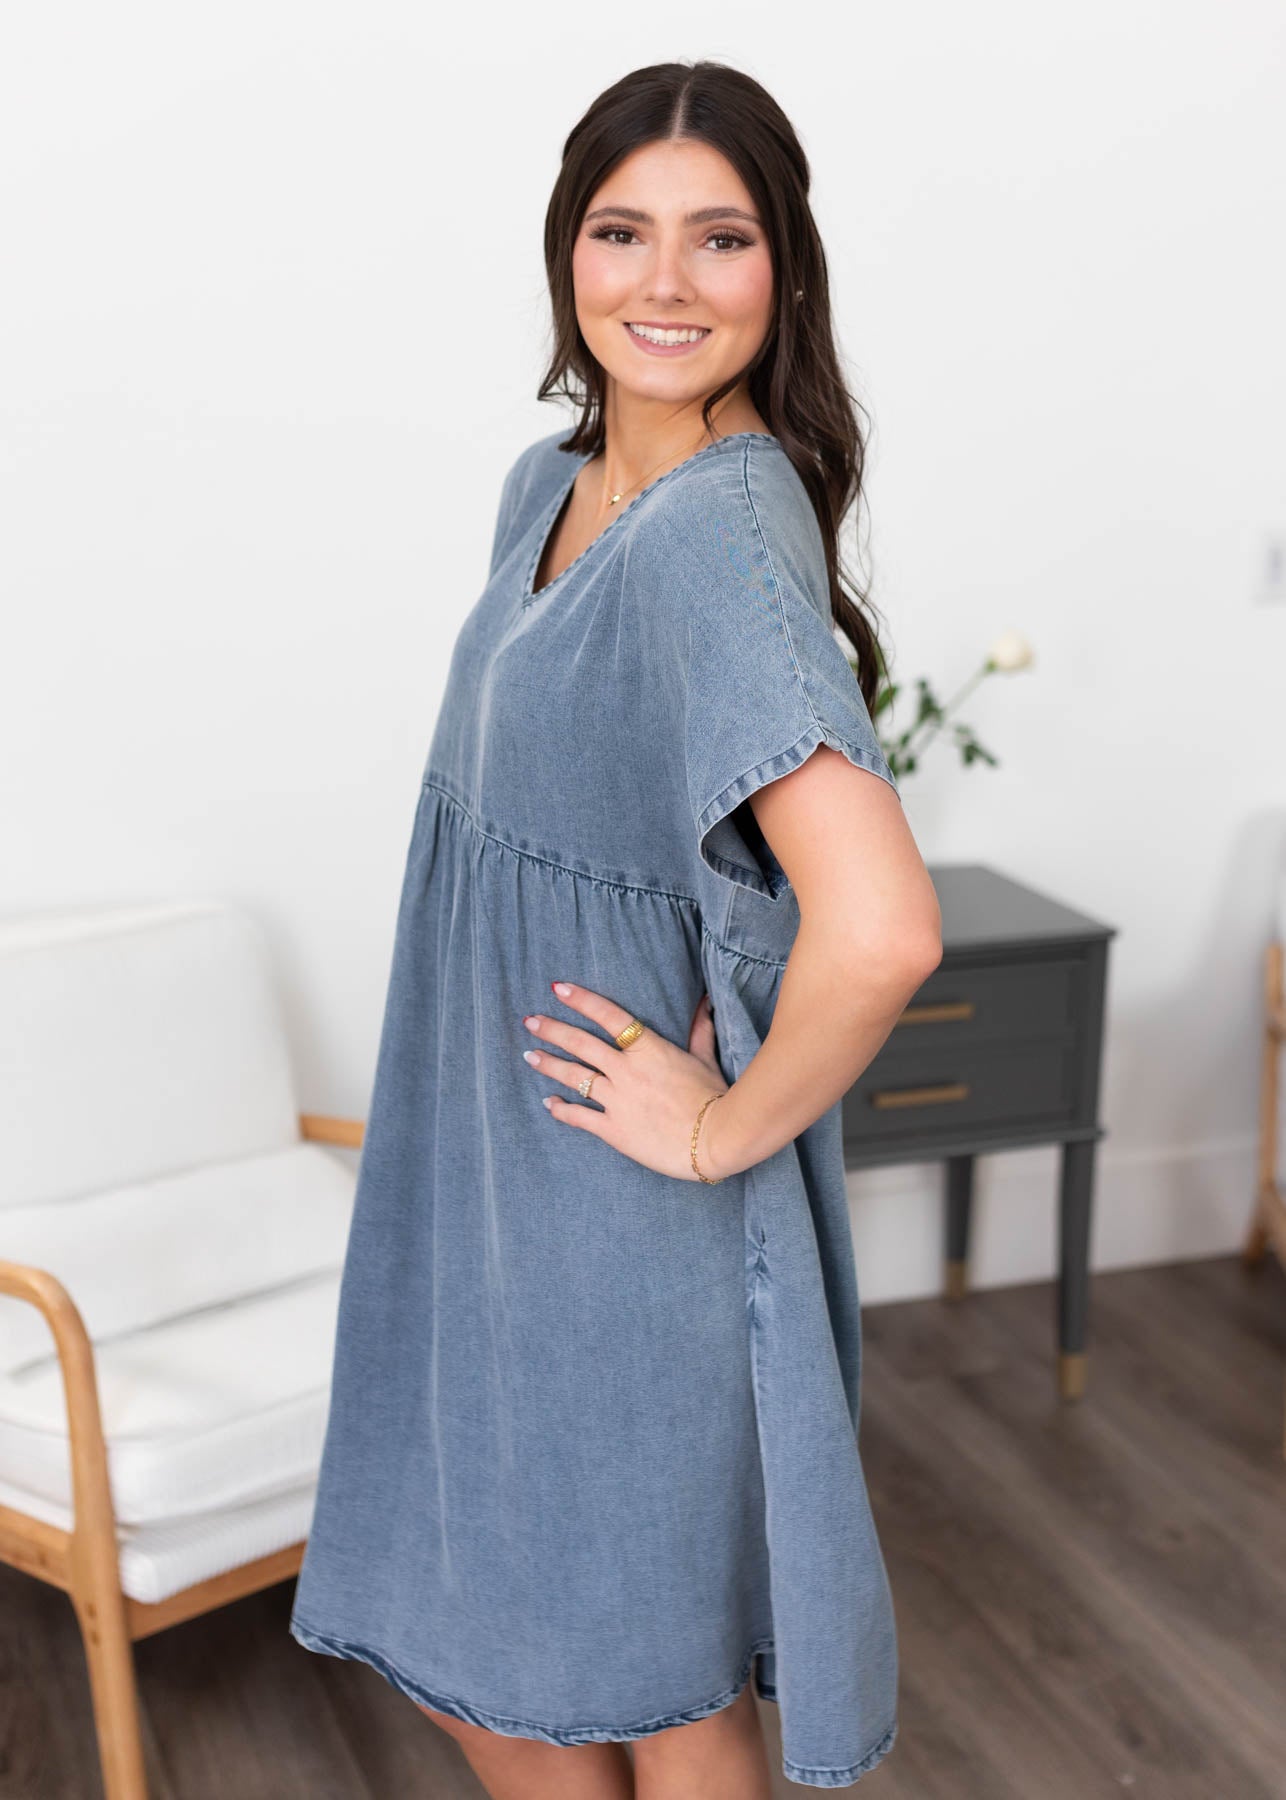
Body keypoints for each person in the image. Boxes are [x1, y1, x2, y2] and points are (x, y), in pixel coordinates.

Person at [290, 57, 942, 1800]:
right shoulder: (553, 488)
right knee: (513, 1654)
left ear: (783, 270)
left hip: (616, 1209)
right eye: (619, 230)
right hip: (498, 1181)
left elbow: (878, 929)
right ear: (565, 257)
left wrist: (719, 1120)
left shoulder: (719, 537)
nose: (662, 281)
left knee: (648, 1678)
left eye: (717, 237)